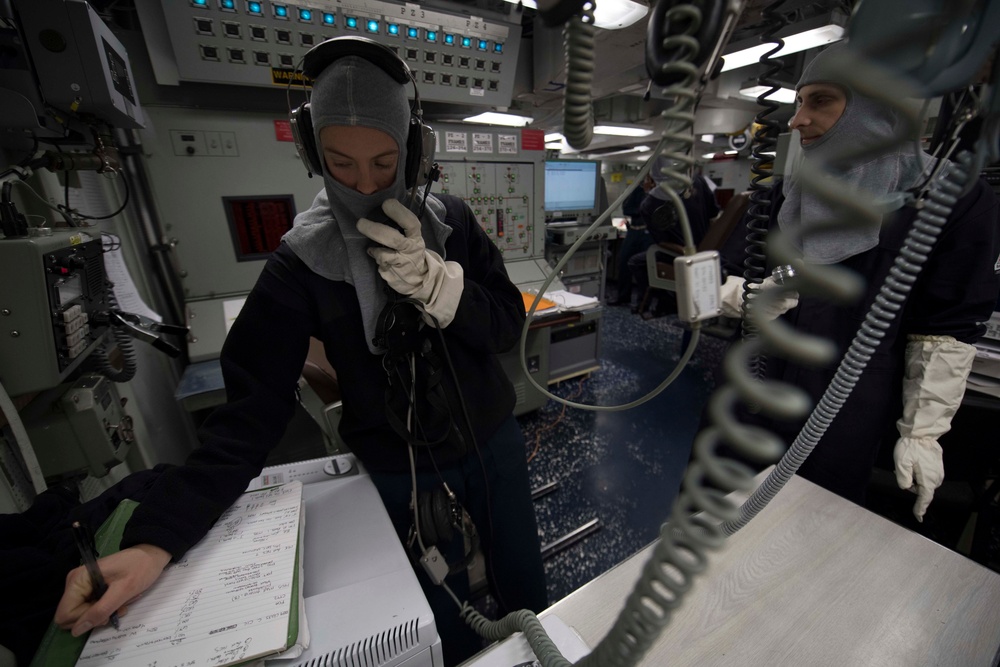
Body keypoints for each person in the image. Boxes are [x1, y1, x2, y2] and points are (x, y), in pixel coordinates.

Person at [52, 41, 547, 667]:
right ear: (312, 152)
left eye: (384, 162)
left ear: (413, 151)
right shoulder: (300, 263)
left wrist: (443, 289)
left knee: (526, 583)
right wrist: (157, 540)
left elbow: (506, 324)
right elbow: (247, 418)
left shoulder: (452, 221)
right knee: (434, 612)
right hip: (399, 467)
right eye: (342, 164)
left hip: (492, 439)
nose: (365, 184)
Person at [717, 42, 1000, 520]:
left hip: (845, 403)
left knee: (808, 524)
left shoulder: (956, 202)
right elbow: (728, 278)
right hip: (756, 382)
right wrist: (748, 297)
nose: (797, 120)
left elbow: (946, 328)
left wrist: (922, 431)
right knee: (718, 507)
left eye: (820, 100)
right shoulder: (786, 193)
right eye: (798, 102)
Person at [627, 161, 721, 318]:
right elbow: (714, 217)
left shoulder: (649, 204)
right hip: (710, 250)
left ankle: (667, 301)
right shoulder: (698, 181)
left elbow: (662, 242)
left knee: (635, 262)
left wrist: (691, 252)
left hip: (683, 253)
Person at [609, 174, 654, 307]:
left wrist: (641, 210)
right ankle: (623, 296)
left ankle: (643, 302)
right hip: (633, 231)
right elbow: (627, 209)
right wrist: (642, 210)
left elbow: (652, 212)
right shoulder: (636, 191)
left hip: (647, 233)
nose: (645, 182)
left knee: (643, 267)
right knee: (623, 263)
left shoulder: (657, 194)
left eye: (647, 180)